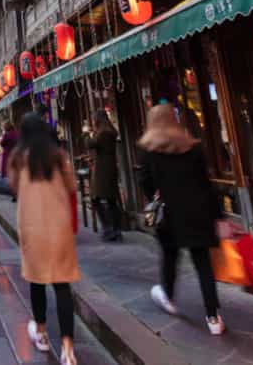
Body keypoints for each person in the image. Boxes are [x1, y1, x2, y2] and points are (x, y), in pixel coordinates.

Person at [139, 104, 225, 336]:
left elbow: (146, 183)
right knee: (203, 264)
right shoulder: (193, 148)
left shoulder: (149, 152)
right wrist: (219, 215)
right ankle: (213, 317)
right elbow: (207, 184)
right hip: (198, 212)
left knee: (169, 256)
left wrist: (156, 195)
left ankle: (167, 296)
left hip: (169, 214)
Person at [8, 113, 80, 365]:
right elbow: (72, 186)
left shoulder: (18, 158)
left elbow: (14, 187)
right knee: (62, 286)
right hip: (59, 227)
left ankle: (40, 332)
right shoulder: (58, 156)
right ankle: (68, 348)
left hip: (32, 227)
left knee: (37, 282)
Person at [89, 111, 122, 242]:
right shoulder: (109, 131)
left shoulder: (103, 133)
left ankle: (109, 228)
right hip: (108, 168)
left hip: (103, 170)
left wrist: (87, 134)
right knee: (111, 200)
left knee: (96, 198)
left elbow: (91, 144)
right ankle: (115, 229)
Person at [0, 122, 19, 200]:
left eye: (3, 127)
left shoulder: (7, 135)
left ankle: (15, 195)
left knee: (11, 176)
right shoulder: (17, 133)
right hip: (17, 155)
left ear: (6, 127)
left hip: (9, 157)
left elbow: (2, 143)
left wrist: (3, 135)